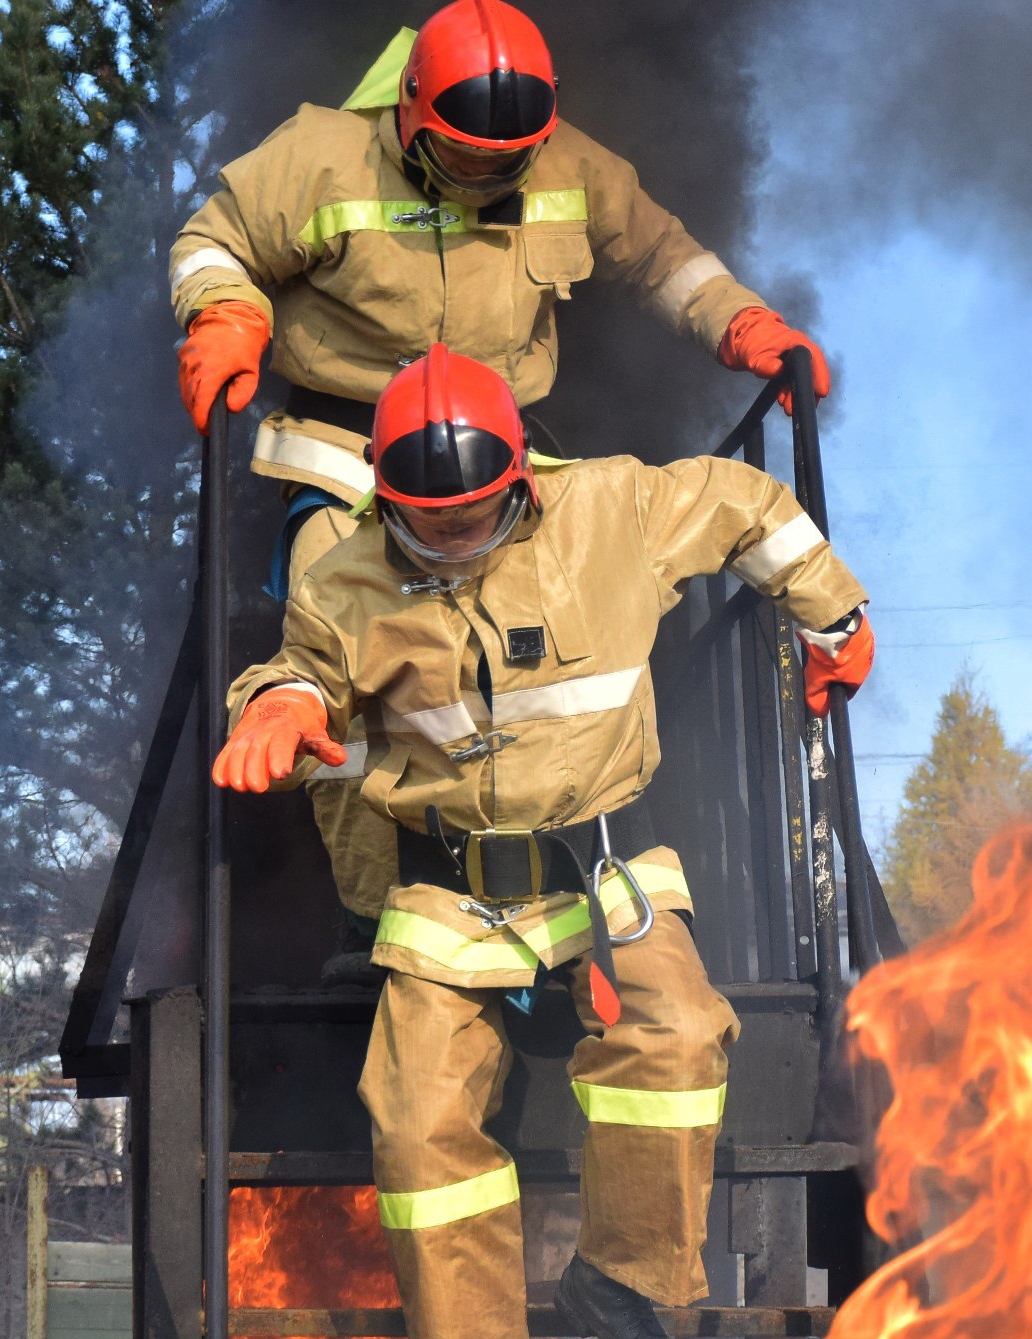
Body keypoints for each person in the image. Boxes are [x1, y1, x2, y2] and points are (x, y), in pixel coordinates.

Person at [211, 345, 875, 1339]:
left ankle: (625, 1287)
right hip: (444, 892)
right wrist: (274, 705)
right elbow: (302, 667)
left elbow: (750, 504)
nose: (456, 535)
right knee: (417, 1111)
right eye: (430, 521)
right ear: (387, 499)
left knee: (677, 1037)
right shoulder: (343, 577)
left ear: (518, 478)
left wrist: (836, 617)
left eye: (476, 513)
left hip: (603, 872)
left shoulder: (612, 507)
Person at [171, 0, 835, 964]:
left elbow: (662, 256)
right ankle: (377, 921)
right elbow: (214, 239)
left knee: (569, 640)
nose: (485, 179)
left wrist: (742, 324)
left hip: (502, 459)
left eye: (507, 163)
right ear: (408, 113)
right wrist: (224, 310)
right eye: (461, 160)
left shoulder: (570, 162)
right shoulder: (318, 155)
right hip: (346, 459)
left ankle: (564, 905)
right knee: (341, 668)